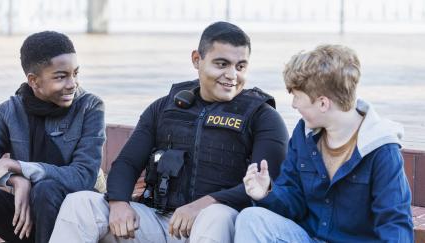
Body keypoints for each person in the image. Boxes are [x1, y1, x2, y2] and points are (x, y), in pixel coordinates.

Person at [49, 21, 289, 243]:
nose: (232, 75)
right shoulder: (164, 107)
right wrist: (119, 202)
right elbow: (127, 163)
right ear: (197, 59)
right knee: (80, 203)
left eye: (241, 66)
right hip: (160, 220)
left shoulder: (263, 117)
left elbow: (267, 184)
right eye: (222, 64)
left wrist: (204, 204)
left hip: (217, 225)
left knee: (216, 215)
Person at [235, 44, 413, 242]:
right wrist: (267, 191)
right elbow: (294, 202)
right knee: (251, 219)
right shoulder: (304, 135)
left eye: (297, 96)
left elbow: (395, 223)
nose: (293, 104)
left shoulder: (382, 150)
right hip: (309, 238)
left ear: (322, 103)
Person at [0, 31, 106, 243]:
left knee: (46, 189)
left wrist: (18, 166)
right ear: (34, 81)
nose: (72, 84)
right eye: (61, 76)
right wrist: (14, 181)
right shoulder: (9, 111)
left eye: (75, 73)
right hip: (24, 218)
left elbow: (83, 175)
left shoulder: (90, 106)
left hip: (75, 220)